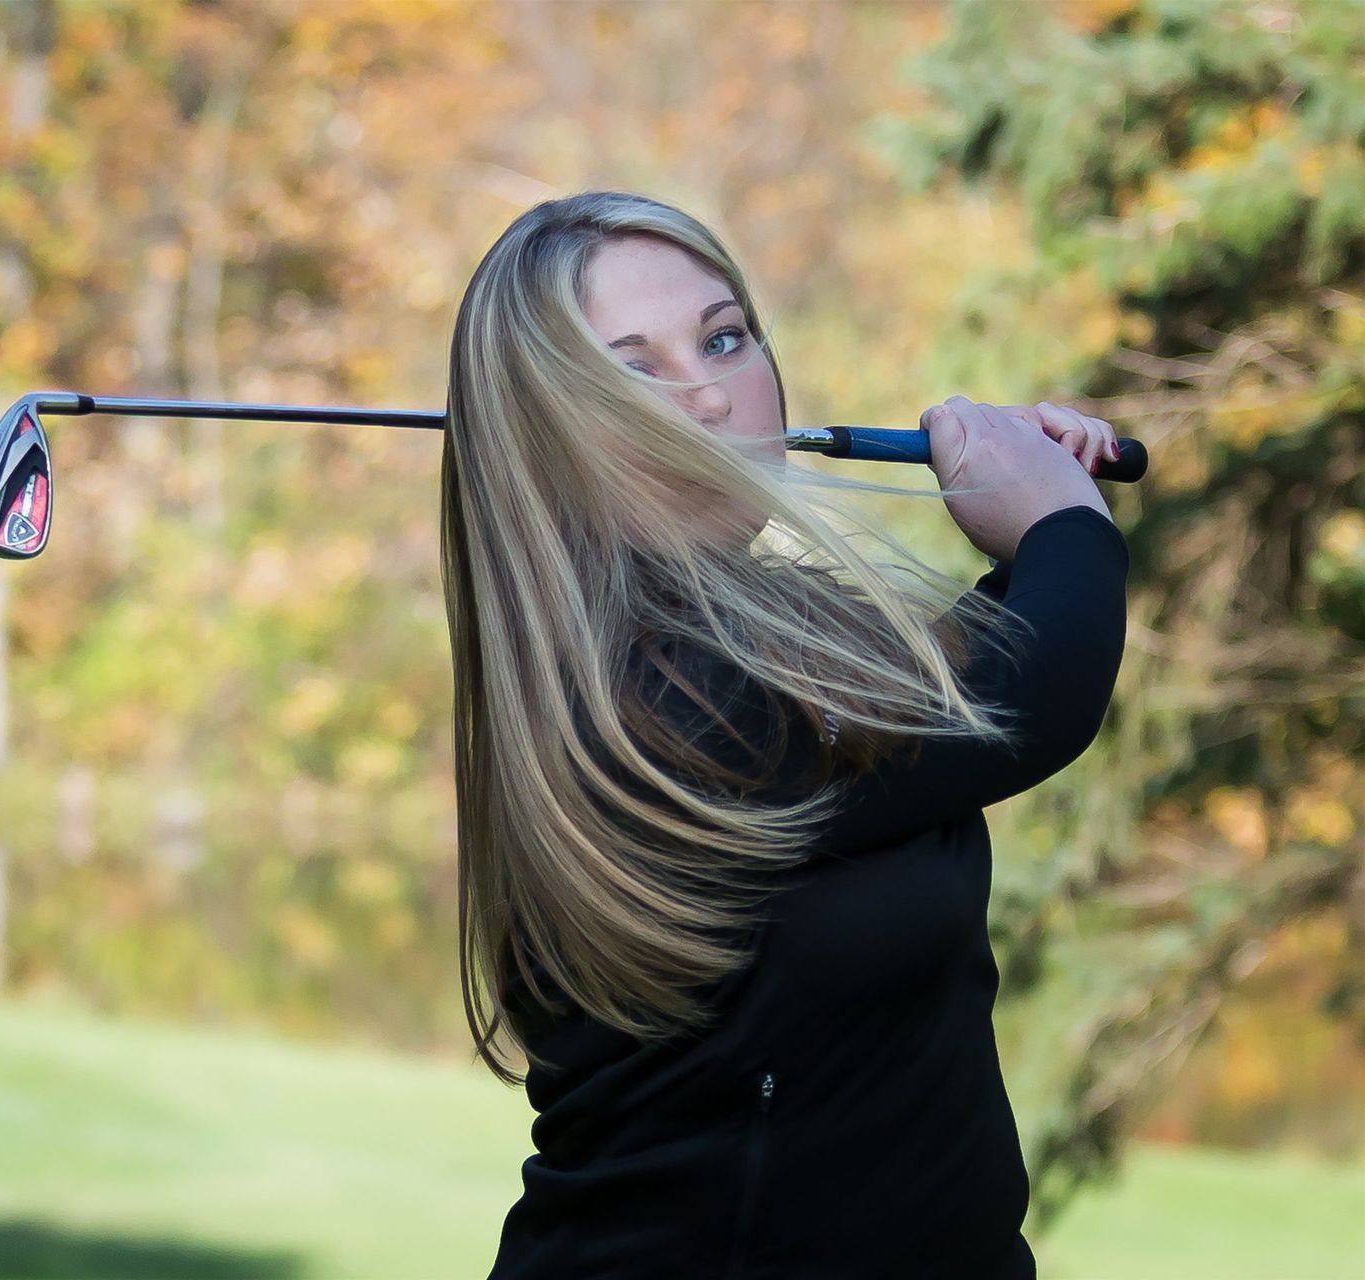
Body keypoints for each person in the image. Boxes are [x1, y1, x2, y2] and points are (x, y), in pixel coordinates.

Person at [437, 191, 1129, 1278]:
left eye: (723, 336)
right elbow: (1031, 699)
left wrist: (1041, 533)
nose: (708, 393)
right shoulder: (664, 699)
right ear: (551, 437)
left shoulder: (764, 648)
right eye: (633, 369)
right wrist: (1060, 527)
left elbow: (940, 712)